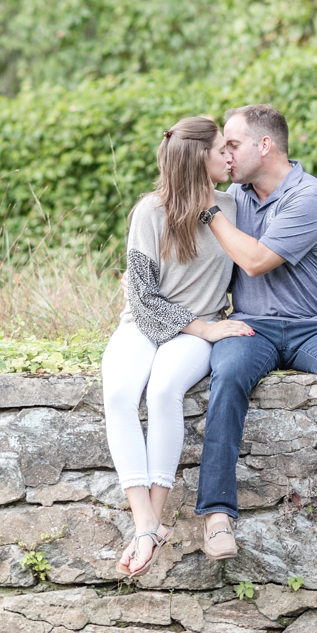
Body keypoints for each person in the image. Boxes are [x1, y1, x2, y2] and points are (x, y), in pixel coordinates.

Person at [197, 104, 317, 559]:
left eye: (233, 145)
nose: (227, 156)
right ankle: (217, 516)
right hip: (252, 325)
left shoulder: (309, 196)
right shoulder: (235, 198)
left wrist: (209, 210)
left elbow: (254, 261)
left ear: (265, 145)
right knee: (228, 374)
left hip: (315, 326)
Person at [103, 116, 256, 578]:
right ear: (199, 158)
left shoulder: (234, 206)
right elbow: (142, 296)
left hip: (202, 326)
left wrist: (208, 329)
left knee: (164, 390)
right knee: (118, 395)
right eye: (220, 150)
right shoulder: (150, 211)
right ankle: (147, 524)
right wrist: (203, 330)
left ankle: (153, 519)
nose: (229, 156)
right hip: (148, 324)